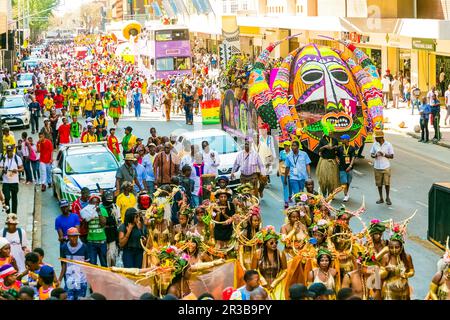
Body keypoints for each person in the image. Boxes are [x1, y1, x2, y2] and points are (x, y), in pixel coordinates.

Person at [251, 227, 287, 298]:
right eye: (271, 242)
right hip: (261, 286)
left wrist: (275, 282)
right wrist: (261, 280)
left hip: (276, 286)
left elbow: (285, 270)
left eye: (276, 242)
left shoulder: (280, 254)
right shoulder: (258, 254)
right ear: (265, 243)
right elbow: (253, 270)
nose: (274, 244)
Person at [380, 233, 415, 300]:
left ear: (401, 247)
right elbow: (381, 274)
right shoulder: (386, 257)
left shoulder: (407, 257)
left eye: (397, 247)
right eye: (391, 248)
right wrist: (386, 270)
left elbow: (412, 270)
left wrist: (406, 274)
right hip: (389, 289)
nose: (394, 250)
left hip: (403, 288)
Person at [59, 227, 89, 300]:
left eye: (75, 236)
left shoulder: (84, 247)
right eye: (71, 236)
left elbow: (88, 264)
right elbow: (64, 265)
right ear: (68, 237)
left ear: (78, 236)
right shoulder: (64, 247)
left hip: (81, 280)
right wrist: (59, 279)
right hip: (69, 279)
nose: (73, 238)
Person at [370, 130, 394, 206]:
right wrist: (375, 155)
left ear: (381, 137)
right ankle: (381, 198)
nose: (375, 139)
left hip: (386, 166)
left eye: (376, 138)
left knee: (387, 183)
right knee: (379, 184)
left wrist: (383, 154)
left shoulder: (388, 144)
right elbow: (372, 154)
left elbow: (392, 156)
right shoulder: (375, 144)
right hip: (377, 166)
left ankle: (387, 197)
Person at [85, 195, 108, 267]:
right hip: (91, 241)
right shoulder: (87, 211)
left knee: (104, 264)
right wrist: (88, 218)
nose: (95, 204)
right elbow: (85, 226)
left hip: (102, 241)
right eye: (93, 203)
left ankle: (104, 278)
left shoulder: (103, 210)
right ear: (90, 203)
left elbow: (103, 224)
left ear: (99, 203)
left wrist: (99, 213)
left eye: (97, 203)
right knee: (92, 265)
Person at [0, 145, 23, 213]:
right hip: (6, 182)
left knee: (14, 198)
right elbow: (0, 167)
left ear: (12, 151)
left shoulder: (17, 158)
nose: (9, 153)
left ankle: (14, 214)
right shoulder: (4, 158)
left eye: (10, 151)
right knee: (6, 197)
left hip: (14, 182)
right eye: (8, 151)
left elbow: (22, 168)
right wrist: (2, 170)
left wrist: (17, 170)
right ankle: (8, 213)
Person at [100, 191, 120, 267]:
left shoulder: (115, 207)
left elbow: (118, 221)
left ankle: (113, 269)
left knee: (112, 254)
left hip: (113, 233)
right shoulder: (100, 208)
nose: (109, 198)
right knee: (105, 254)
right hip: (103, 233)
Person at [317, 132, 339, 197]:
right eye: (329, 131)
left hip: (333, 162)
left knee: (332, 180)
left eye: (331, 131)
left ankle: (330, 193)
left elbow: (337, 150)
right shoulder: (322, 140)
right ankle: (324, 193)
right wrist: (324, 147)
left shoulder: (335, 140)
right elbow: (319, 150)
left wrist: (335, 147)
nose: (330, 133)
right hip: (324, 161)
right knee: (323, 180)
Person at [336, 134, 356, 202]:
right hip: (342, 168)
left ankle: (346, 193)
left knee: (348, 182)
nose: (341, 140)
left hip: (349, 168)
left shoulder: (352, 148)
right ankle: (346, 195)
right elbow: (336, 155)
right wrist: (337, 159)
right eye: (341, 139)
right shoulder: (339, 148)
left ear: (347, 140)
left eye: (343, 139)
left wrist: (350, 166)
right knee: (344, 182)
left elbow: (353, 157)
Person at [278, 140, 292, 208]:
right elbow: (279, 161)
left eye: (286, 146)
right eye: (284, 146)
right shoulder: (281, 152)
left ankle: (290, 196)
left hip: (291, 170)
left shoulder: (292, 153)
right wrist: (278, 170)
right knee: (285, 185)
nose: (285, 147)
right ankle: (286, 201)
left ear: (289, 146)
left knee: (291, 184)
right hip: (283, 170)